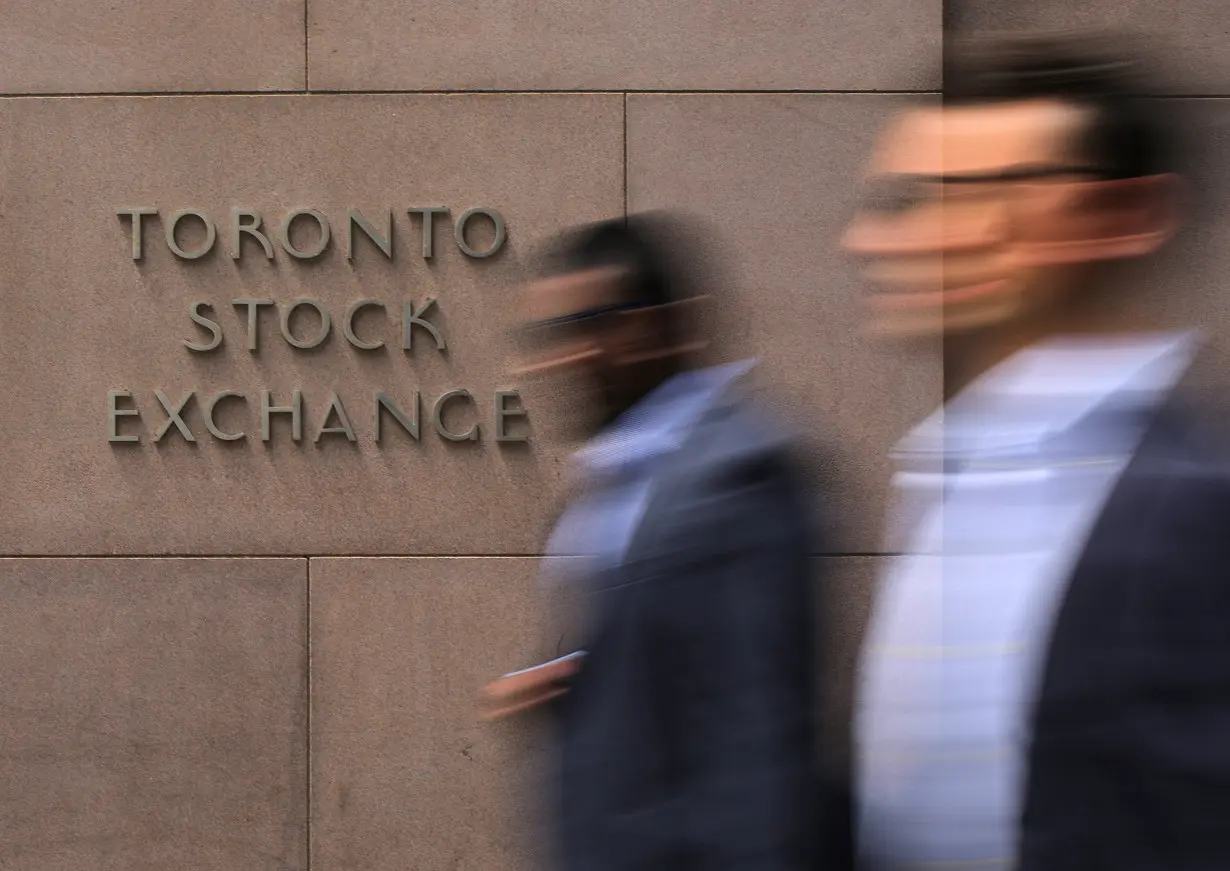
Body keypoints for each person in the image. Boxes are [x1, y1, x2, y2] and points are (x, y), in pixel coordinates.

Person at [842, 32, 1230, 871]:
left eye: (939, 195)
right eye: (894, 198)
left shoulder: (1199, 507)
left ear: (1120, 216)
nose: (871, 241)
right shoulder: (948, 474)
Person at [483, 214, 826, 871]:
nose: (574, 353)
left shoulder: (738, 477)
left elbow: (758, 737)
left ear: (671, 321)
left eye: (600, 322)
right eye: (557, 331)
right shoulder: (622, 472)